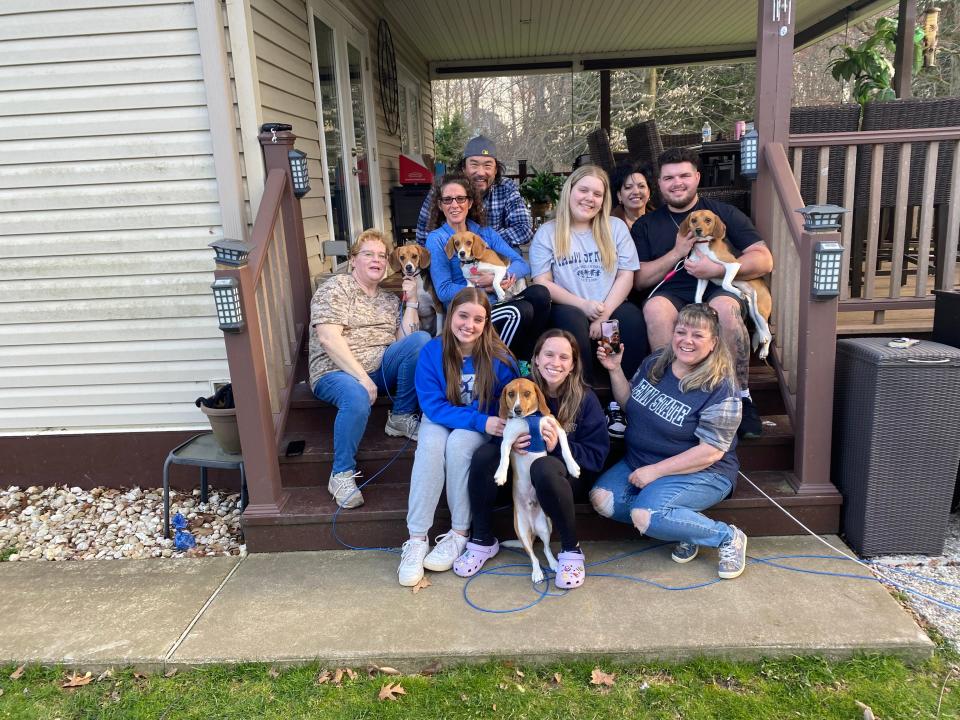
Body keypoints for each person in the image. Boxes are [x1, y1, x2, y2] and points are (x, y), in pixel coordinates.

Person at [591, 303, 748, 579]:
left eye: (698, 335)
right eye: (681, 331)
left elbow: (710, 452)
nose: (687, 340)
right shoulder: (657, 363)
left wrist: (655, 472)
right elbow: (629, 404)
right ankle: (686, 527)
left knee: (646, 514)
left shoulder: (721, 387)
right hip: (640, 461)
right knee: (603, 500)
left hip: (703, 472)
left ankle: (726, 536)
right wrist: (615, 369)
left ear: (713, 343)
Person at [632, 147, 773, 438]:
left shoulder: (723, 214)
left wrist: (718, 270)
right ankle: (670, 394)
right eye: (669, 177)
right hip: (672, 292)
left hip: (720, 289)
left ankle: (738, 397)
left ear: (697, 177)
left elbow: (763, 259)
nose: (677, 183)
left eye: (684, 175)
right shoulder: (647, 224)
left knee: (725, 309)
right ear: (659, 183)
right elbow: (639, 280)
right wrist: (676, 253)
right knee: (655, 310)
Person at [453, 329, 610, 588]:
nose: (555, 363)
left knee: (544, 467)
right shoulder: (518, 389)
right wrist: (511, 442)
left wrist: (557, 446)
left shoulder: (585, 399)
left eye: (564, 357)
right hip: (519, 480)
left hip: (564, 481)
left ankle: (571, 551)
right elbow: (499, 431)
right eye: (548, 354)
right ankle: (482, 538)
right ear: (536, 358)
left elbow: (596, 457)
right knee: (485, 455)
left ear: (572, 365)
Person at [398, 287, 518, 587]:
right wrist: (478, 419)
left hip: (479, 427)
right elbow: (433, 406)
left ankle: (458, 533)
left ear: (487, 322)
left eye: (479, 319)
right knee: (430, 444)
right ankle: (416, 539)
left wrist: (488, 423)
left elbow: (507, 404)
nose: (469, 325)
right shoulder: (432, 352)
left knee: (460, 445)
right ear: (451, 315)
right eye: (463, 315)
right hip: (443, 417)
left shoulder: (499, 358)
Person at [310, 229, 430, 509]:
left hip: (379, 368)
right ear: (353, 260)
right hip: (335, 372)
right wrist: (363, 378)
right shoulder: (335, 288)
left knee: (422, 340)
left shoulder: (389, 300)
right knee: (356, 396)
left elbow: (405, 343)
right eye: (368, 254)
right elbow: (329, 338)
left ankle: (400, 416)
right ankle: (340, 474)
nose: (376, 260)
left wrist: (411, 301)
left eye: (381, 256)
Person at [530, 165, 649, 386]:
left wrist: (603, 317)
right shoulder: (548, 232)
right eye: (583, 190)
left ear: (604, 200)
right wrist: (583, 306)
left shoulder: (615, 228)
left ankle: (620, 399)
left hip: (609, 307)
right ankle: (583, 396)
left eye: (597, 194)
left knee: (629, 319)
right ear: (570, 191)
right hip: (569, 306)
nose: (589, 198)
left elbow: (626, 275)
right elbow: (542, 282)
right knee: (572, 320)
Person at [426, 172, 551, 359]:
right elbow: (444, 291)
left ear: (469, 203)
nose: (454, 205)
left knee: (540, 294)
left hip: (499, 296)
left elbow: (522, 264)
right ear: (440, 205)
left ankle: (528, 360)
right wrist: (482, 288)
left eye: (460, 198)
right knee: (521, 310)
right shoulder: (437, 239)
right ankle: (501, 363)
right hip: (469, 309)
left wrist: (499, 279)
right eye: (447, 200)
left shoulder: (485, 233)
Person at [416, 135, 532, 248]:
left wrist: (478, 243)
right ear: (463, 168)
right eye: (474, 165)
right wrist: (458, 245)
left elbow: (524, 229)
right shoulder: (443, 189)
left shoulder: (506, 187)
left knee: (515, 254)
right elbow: (423, 236)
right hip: (452, 254)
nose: (481, 172)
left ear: (496, 169)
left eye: (487, 165)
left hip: (494, 251)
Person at [610, 161, 657, 230]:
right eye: (628, 187)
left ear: (649, 192)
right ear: (619, 195)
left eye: (641, 186)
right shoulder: (609, 225)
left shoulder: (660, 219)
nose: (636, 192)